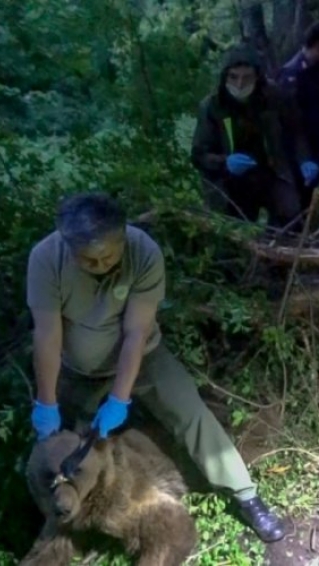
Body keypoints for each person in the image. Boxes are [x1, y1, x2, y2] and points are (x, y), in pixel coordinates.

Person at [25, 192, 287, 543]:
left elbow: (136, 333)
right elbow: (47, 336)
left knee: (191, 413)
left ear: (124, 235)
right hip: (78, 372)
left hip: (144, 357)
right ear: (68, 247)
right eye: (89, 261)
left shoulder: (143, 252)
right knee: (69, 449)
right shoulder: (45, 259)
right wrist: (46, 402)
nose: (102, 265)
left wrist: (119, 399)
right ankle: (79, 529)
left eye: (109, 256)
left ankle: (246, 496)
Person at [191, 42, 316, 229]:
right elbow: (198, 155)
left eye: (247, 77)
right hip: (228, 181)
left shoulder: (274, 97)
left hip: (269, 171)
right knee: (232, 227)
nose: (240, 84)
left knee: (290, 211)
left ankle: (282, 252)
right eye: (234, 77)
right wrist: (225, 163)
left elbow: (296, 131)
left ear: (257, 76)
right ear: (225, 76)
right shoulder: (212, 106)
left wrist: (304, 159)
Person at [275, 21, 319, 183]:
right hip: (298, 149)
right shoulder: (292, 73)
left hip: (315, 142)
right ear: (318, 45)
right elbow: (289, 117)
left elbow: (318, 102)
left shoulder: (316, 70)